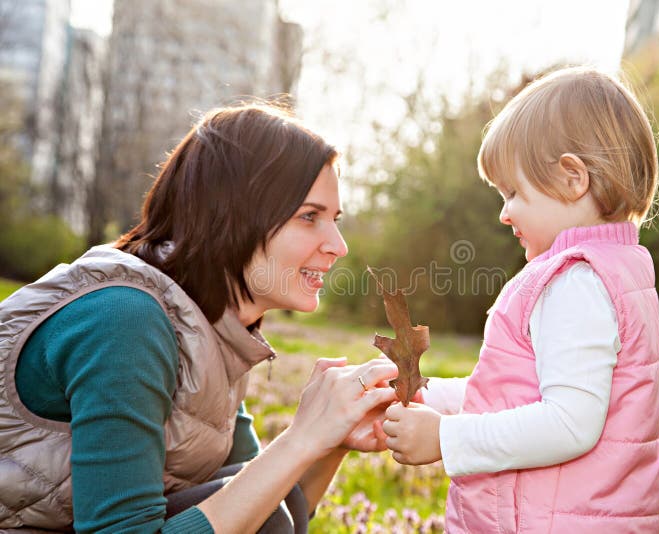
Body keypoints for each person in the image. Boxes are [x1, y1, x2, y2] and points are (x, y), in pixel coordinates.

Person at [0, 103, 399, 533]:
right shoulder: (125, 321)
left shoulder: (211, 330)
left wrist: (330, 444)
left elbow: (263, 510)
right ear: (233, 213)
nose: (338, 246)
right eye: (309, 217)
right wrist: (300, 438)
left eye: (334, 220)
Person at [382, 66, 659, 533]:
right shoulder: (612, 269)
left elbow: (571, 423)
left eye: (513, 192)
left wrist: (445, 438)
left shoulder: (577, 283)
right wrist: (425, 391)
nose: (503, 212)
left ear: (573, 178)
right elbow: (516, 392)